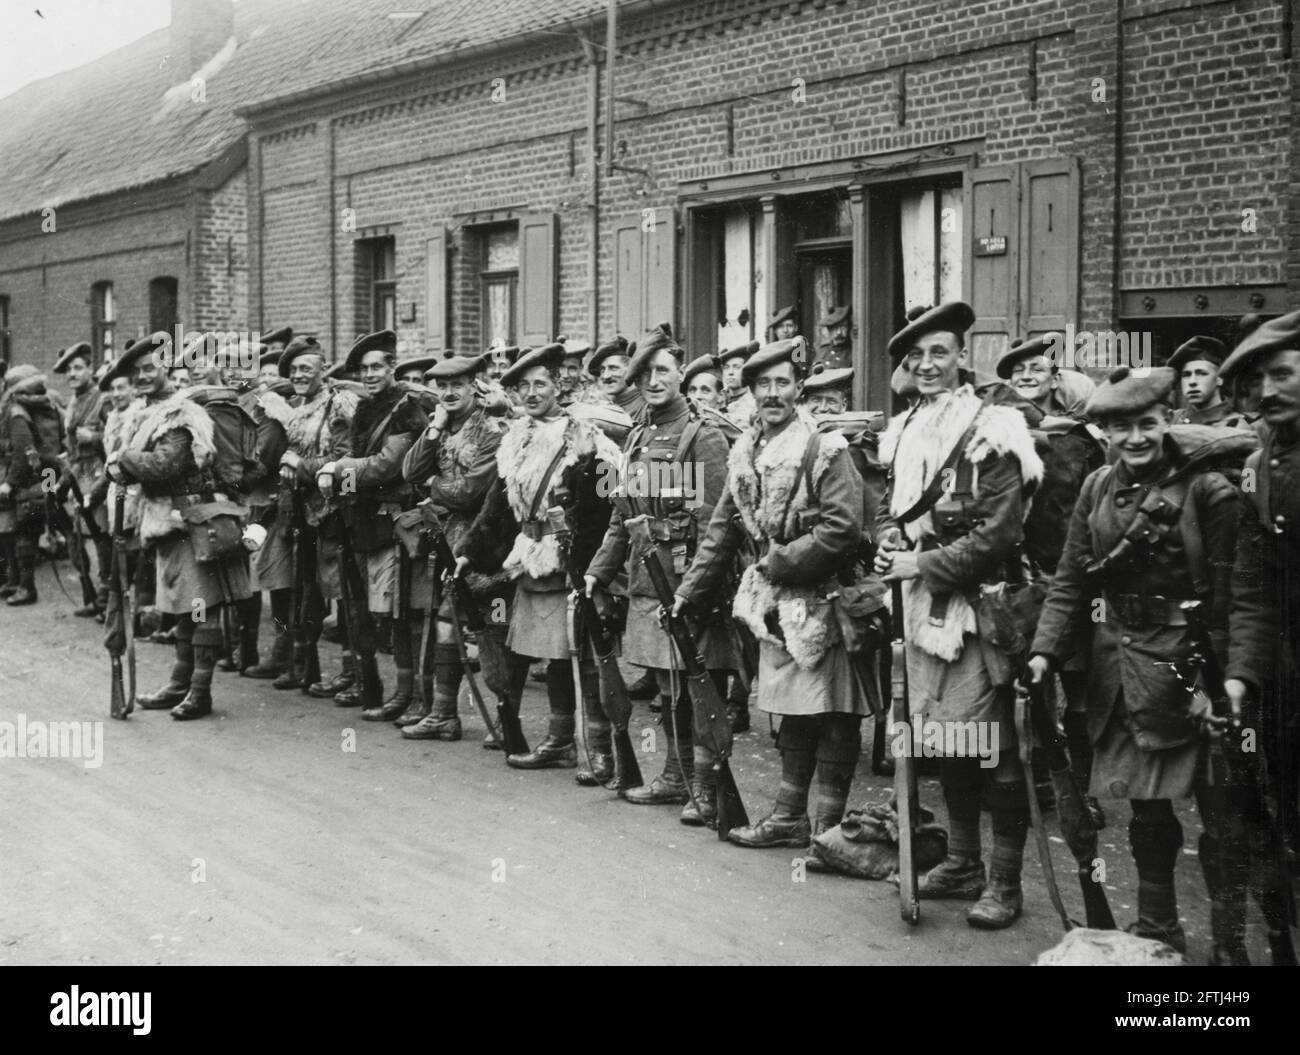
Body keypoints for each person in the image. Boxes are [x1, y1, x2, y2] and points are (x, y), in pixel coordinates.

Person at [1030, 366, 1247, 956]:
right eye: (1121, 427)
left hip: (1192, 668)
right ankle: (1157, 926)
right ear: (1104, 432)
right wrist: (1045, 651)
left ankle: (1230, 943)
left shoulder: (1208, 492)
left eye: (1147, 424)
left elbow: (1232, 598)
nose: (1135, 438)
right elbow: (1073, 578)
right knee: (1148, 812)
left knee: (1221, 812)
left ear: (1168, 420)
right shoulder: (1098, 487)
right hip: (1123, 668)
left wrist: (1225, 681)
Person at [874, 302, 1044, 929]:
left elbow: (1000, 534)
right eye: (915, 356)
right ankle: (964, 860)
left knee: (993, 749)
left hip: (982, 611)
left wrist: (920, 565)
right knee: (945, 743)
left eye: (938, 352)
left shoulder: (994, 429)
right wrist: (890, 537)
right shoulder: (904, 428)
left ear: (961, 358)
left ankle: (1005, 882)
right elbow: (892, 509)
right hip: (922, 612)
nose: (925, 364)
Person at [675, 336, 869, 847]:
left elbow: (841, 529)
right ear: (752, 392)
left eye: (783, 383)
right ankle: (789, 817)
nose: (773, 393)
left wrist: (778, 562)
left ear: (798, 389)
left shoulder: (824, 447)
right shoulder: (745, 451)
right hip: (777, 607)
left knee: (834, 711)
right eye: (763, 384)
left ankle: (829, 827)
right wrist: (688, 593)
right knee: (792, 710)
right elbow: (722, 528)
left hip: (826, 600)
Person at [584, 326, 733, 811]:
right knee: (669, 686)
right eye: (644, 373)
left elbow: (716, 524)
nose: (652, 380)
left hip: (689, 583)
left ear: (680, 375)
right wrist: (598, 571)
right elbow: (620, 515)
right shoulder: (637, 437)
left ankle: (709, 789)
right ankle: (675, 774)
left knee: (697, 684)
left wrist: (693, 589)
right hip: (649, 582)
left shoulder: (703, 436)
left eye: (662, 371)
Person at [454, 342, 619, 770]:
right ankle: (559, 740)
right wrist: (470, 553)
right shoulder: (517, 438)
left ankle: (599, 751)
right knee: (554, 654)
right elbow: (499, 505)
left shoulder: (586, 434)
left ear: (557, 386)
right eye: (523, 386)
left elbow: (604, 503)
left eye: (540, 383)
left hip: (575, 559)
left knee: (584, 657)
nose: (531, 393)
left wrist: (586, 462)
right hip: (532, 558)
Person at [108, 334, 253, 720]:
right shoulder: (147, 413)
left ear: (167, 370)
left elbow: (166, 464)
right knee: (184, 609)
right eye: (136, 371)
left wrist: (122, 460)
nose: (141, 376)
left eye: (149, 368)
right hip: (167, 523)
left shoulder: (180, 414)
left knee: (200, 607)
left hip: (192, 522)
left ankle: (200, 690)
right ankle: (179, 683)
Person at [1220, 311, 1300, 960]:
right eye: (1260, 380)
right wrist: (1242, 672)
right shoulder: (1259, 464)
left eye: (1283, 373)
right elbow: (1252, 587)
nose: (1267, 392)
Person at [397, 352, 510, 737]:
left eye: (456, 386)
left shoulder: (492, 430)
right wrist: (433, 430)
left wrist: (432, 488)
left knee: (494, 625)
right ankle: (445, 713)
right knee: (448, 621)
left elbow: (469, 492)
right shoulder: (442, 426)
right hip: (450, 539)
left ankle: (505, 714)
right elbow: (410, 471)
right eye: (441, 386)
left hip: (488, 538)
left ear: (474, 386)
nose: (448, 393)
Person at [318, 330, 429, 711]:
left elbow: (387, 466)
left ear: (392, 367)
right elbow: (357, 461)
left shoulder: (406, 408)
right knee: (374, 611)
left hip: (395, 520)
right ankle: (389, 690)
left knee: (400, 612)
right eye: (364, 368)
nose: (369, 374)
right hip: (364, 522)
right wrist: (336, 476)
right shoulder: (365, 409)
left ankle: (408, 693)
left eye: (377, 366)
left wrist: (338, 468)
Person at [261, 336, 362, 697]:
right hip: (301, 514)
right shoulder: (294, 407)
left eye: (307, 368)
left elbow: (342, 455)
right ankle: (304, 666)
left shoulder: (339, 405)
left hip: (335, 513)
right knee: (308, 593)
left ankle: (354, 674)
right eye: (294, 370)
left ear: (323, 369)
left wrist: (302, 465)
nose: (300, 375)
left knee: (343, 593)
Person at [53, 341, 111, 617]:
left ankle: (106, 600)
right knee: (80, 534)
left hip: (99, 474)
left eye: (78, 368)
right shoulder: (73, 402)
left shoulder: (102, 399)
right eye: (68, 370)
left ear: (90, 369)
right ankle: (92, 595)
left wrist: (96, 437)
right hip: (79, 474)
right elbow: (71, 450)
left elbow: (117, 438)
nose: (72, 374)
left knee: (101, 537)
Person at [0, 364, 64, 606]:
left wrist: (9, 483)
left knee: (24, 536)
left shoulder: (17, 413)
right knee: (27, 531)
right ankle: (17, 583)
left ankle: (27, 589)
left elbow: (24, 452)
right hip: (42, 477)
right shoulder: (37, 408)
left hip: (29, 481)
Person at [1168, 336, 1249, 427]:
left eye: (1201, 374)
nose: (1192, 382)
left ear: (1220, 379)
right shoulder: (1172, 420)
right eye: (1186, 375)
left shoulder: (1235, 425)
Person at [718, 341, 758, 428]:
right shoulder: (718, 397)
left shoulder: (754, 403)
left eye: (737, 367)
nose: (730, 372)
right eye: (726, 367)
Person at [817, 306, 852, 370]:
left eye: (843, 327)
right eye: (835, 328)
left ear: (849, 328)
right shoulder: (822, 351)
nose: (839, 332)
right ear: (829, 330)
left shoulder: (852, 353)